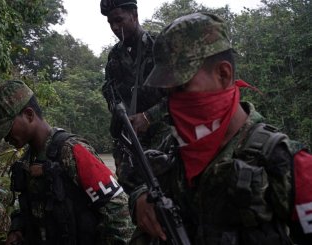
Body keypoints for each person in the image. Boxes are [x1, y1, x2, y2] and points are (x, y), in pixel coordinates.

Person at [127, 13, 312, 244]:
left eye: (182, 87)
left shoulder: (287, 163)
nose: (173, 102)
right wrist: (140, 198)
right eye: (167, 92)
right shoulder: (175, 145)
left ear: (224, 74)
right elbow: (143, 183)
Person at [0, 80, 134, 245]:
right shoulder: (27, 161)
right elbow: (28, 208)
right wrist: (17, 229)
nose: (6, 138)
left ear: (29, 115)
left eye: (8, 128)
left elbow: (119, 209)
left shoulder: (72, 150)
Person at [100, 0, 169, 177]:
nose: (115, 27)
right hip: (129, 142)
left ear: (134, 15)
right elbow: (110, 93)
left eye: (119, 20)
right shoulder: (114, 56)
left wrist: (148, 116)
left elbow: (182, 94)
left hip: (164, 140)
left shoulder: (159, 45)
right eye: (110, 23)